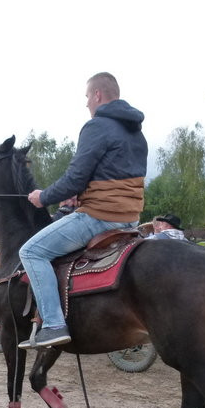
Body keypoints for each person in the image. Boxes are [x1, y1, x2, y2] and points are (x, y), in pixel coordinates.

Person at [18, 72, 148, 348]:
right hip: (130, 218)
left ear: (98, 95)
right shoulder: (136, 133)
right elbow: (114, 176)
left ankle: (53, 324)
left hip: (99, 217)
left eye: (88, 96)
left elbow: (75, 177)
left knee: (31, 251)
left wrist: (44, 197)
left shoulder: (97, 126)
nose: (87, 103)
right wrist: (84, 191)